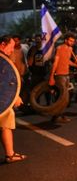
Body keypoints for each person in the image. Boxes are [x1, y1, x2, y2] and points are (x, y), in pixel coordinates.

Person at [0, 35, 26, 163]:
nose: (11, 51)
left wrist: (15, 95)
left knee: (5, 125)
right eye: (10, 47)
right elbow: (2, 83)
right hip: (2, 102)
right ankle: (10, 155)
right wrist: (13, 97)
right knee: (5, 125)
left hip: (3, 103)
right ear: (3, 44)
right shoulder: (1, 60)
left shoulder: (4, 59)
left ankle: (10, 154)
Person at [49, 33, 77, 123]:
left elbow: (67, 61)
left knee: (65, 98)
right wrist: (52, 76)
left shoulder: (70, 49)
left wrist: (76, 65)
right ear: (66, 40)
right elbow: (55, 62)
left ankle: (59, 115)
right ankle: (57, 116)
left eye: (73, 41)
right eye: (70, 40)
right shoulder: (59, 48)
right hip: (60, 75)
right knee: (62, 97)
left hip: (66, 75)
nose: (72, 42)